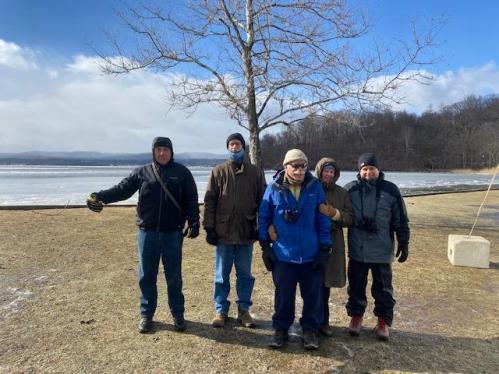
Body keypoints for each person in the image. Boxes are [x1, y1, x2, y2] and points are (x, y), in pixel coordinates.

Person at [86, 137, 200, 334]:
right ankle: (147, 315)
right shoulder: (142, 172)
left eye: (165, 149)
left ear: (171, 152)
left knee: (174, 277)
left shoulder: (182, 173)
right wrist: (101, 196)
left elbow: (191, 199)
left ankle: (178, 315)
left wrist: (194, 221)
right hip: (147, 233)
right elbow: (122, 190)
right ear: (153, 152)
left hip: (173, 234)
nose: (162, 153)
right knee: (146, 276)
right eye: (158, 150)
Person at [258, 149, 332, 350]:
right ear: (286, 167)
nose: (299, 171)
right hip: (284, 254)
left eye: (302, 166)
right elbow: (263, 217)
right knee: (284, 295)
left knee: (312, 295)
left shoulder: (315, 187)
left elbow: (323, 217)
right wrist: (265, 247)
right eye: (295, 166)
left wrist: (324, 249)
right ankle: (281, 329)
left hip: (310, 253)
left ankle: (309, 330)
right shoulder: (274, 188)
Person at [344, 153, 410, 340]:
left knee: (383, 288)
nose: (368, 172)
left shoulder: (391, 190)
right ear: (359, 171)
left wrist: (404, 242)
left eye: (371, 169)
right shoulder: (350, 190)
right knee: (356, 286)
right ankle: (356, 317)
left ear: (378, 170)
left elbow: (401, 219)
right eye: (364, 169)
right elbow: (339, 213)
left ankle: (383, 322)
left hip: (382, 249)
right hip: (358, 249)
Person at [203, 133, 266, 328]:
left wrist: (260, 228)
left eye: (237, 144)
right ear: (227, 147)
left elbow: (263, 203)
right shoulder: (218, 171)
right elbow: (209, 201)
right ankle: (221, 310)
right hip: (224, 233)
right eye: (231, 144)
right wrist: (209, 228)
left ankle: (244, 311)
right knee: (221, 275)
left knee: (245, 274)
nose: (234, 147)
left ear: (243, 147)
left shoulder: (255, 172)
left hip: (246, 232)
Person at [314, 157, 353, 337]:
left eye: (331, 172)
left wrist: (335, 214)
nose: (328, 174)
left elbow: (349, 217)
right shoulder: (311, 188)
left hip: (333, 241)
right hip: (312, 240)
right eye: (325, 171)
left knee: (326, 283)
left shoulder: (342, 193)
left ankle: (324, 321)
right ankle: (311, 320)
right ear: (320, 171)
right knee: (311, 282)